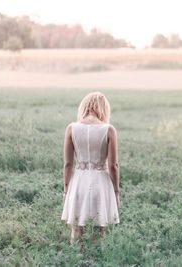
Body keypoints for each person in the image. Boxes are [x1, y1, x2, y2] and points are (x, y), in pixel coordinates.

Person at [61, 91, 120, 250]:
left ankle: (76, 259)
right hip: (101, 183)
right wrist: (116, 191)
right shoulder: (109, 130)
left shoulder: (71, 128)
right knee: (100, 232)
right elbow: (113, 165)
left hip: (79, 183)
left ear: (85, 106)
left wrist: (66, 191)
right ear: (103, 109)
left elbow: (67, 164)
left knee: (76, 230)